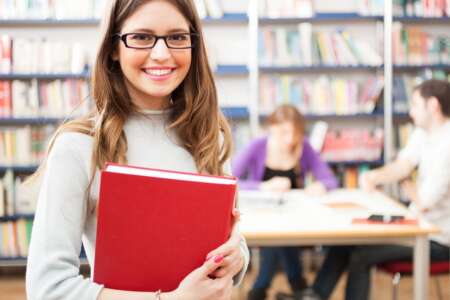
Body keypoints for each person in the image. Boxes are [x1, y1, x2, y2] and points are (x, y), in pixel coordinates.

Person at [25, 1, 249, 299]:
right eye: (142, 37)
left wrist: (237, 257)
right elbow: (48, 288)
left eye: (178, 37)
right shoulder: (79, 146)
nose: (161, 54)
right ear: (114, 48)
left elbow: (232, 240)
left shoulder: (210, 136)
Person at [299, 79, 450, 300]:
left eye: (416, 105)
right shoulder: (423, 133)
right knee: (346, 241)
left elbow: (424, 202)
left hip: (437, 239)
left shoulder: (447, 145)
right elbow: (403, 165)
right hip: (416, 227)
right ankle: (314, 296)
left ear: (433, 106)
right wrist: (375, 176)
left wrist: (405, 183)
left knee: (362, 255)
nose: (411, 111)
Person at [232, 104, 338, 300]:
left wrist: (321, 186)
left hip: (295, 218)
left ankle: (258, 291)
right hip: (263, 218)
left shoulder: (303, 147)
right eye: (284, 132)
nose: (290, 139)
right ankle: (298, 285)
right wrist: (262, 186)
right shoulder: (258, 146)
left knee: (280, 236)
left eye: (295, 133)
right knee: (278, 237)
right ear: (272, 127)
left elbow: (330, 179)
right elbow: (229, 179)